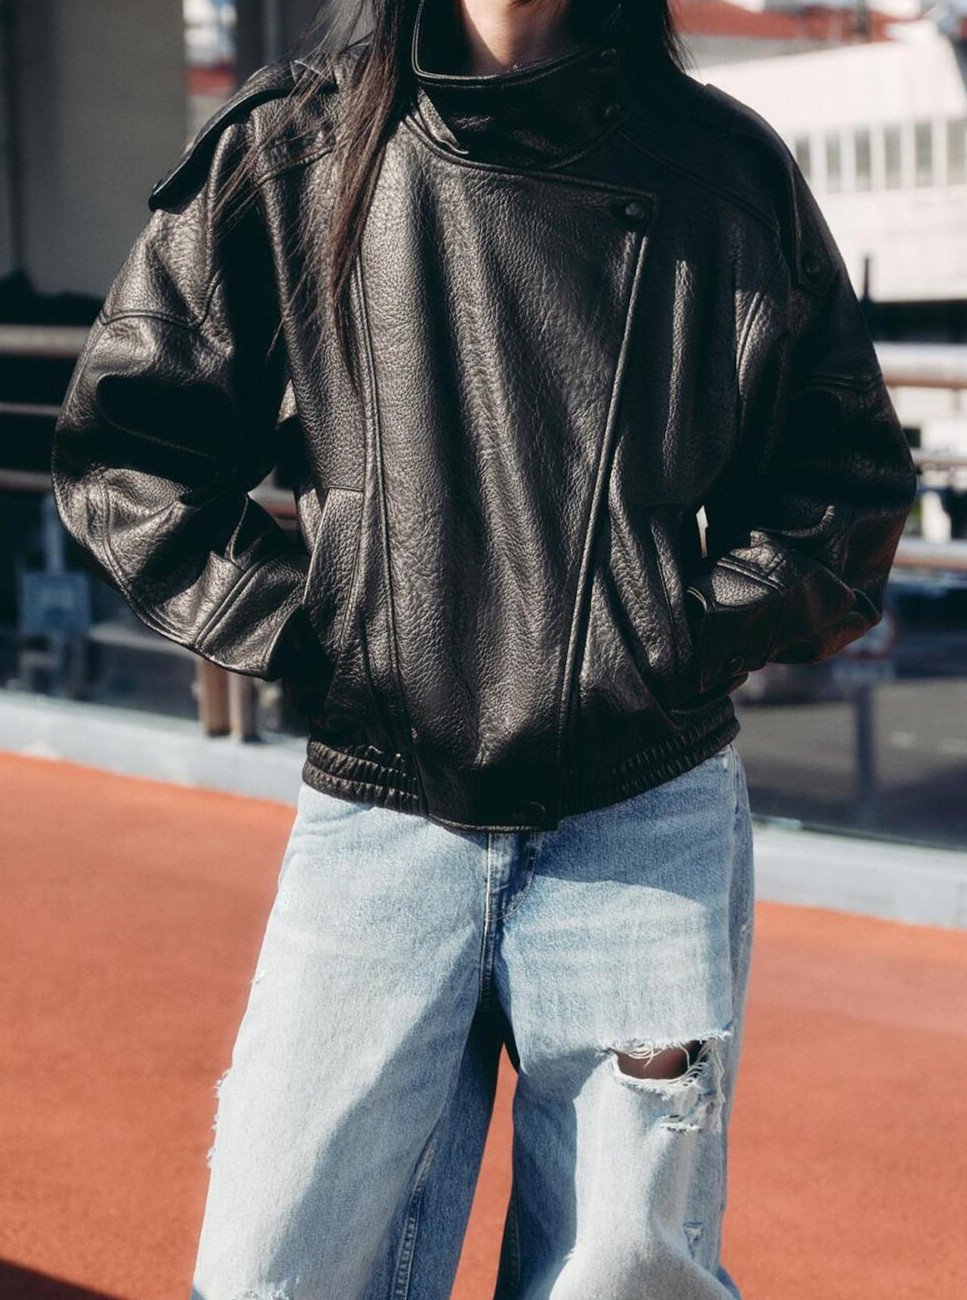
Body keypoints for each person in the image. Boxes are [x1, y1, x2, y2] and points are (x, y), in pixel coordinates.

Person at [50, 0, 919, 1294]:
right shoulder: (295, 148)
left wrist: (659, 637)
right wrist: (331, 635)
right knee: (271, 1269)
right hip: (380, 808)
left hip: (642, 816)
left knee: (623, 1274)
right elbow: (129, 449)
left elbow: (843, 494)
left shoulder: (721, 172)